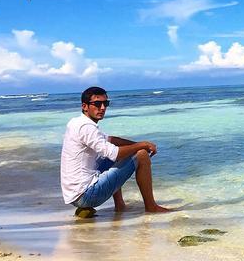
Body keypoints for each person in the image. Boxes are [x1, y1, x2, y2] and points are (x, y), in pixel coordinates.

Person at [60, 86, 170, 216]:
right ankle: (151, 207)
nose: (102, 108)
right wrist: (142, 146)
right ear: (84, 106)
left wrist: (136, 144)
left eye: (105, 103)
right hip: (86, 195)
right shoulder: (86, 127)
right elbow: (114, 153)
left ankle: (119, 205)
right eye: (97, 104)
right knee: (141, 155)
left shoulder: (76, 122)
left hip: (75, 195)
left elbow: (110, 139)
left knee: (121, 153)